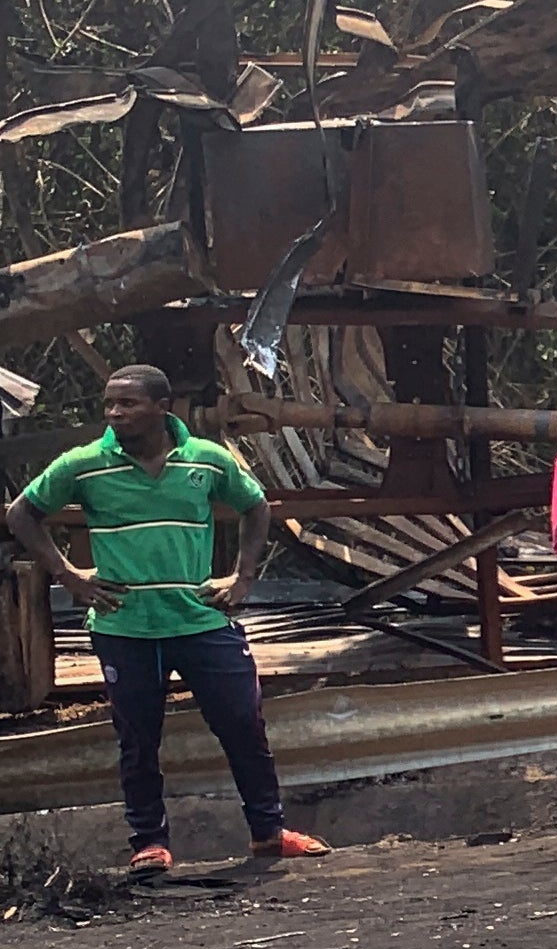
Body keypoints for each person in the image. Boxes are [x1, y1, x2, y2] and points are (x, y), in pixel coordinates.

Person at [5, 367, 327, 874]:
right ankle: (149, 844)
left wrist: (241, 579)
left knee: (244, 726)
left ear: (163, 406)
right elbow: (21, 514)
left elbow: (256, 506)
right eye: (109, 404)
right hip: (124, 627)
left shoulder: (207, 459)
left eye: (128, 404)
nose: (115, 413)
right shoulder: (84, 464)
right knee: (138, 740)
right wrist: (68, 575)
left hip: (200, 621)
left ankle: (268, 833)